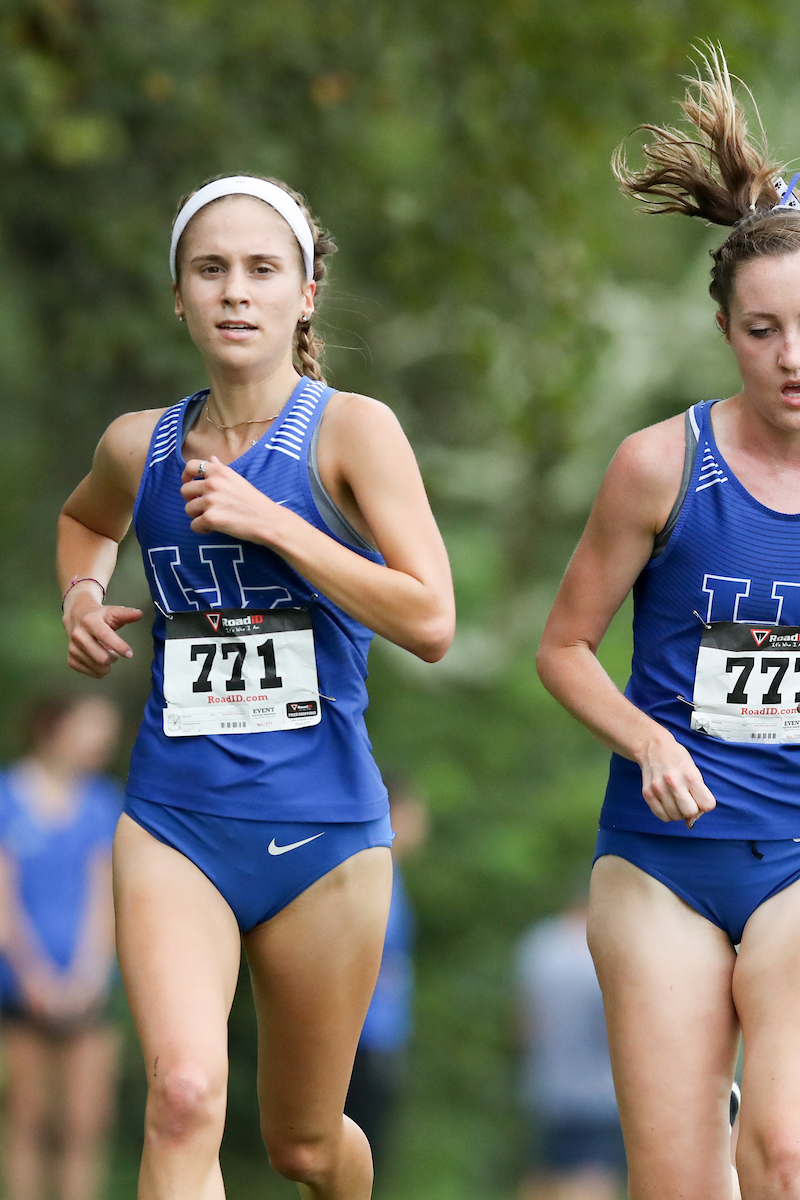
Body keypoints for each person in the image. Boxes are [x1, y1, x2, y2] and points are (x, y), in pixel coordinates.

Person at [536, 48, 800, 1200]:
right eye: (761, 331)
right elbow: (562, 647)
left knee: (782, 1159)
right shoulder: (655, 467)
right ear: (724, 328)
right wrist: (645, 738)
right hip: (659, 866)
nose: (791, 358)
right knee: (676, 1183)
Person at [57, 174, 455, 1198]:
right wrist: (83, 593)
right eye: (212, 270)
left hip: (324, 838)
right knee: (184, 1094)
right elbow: (86, 521)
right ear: (177, 297)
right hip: (174, 824)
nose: (237, 291)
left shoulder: (350, 432)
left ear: (306, 293)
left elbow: (431, 620)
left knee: (306, 1148)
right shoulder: (135, 444)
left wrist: (276, 521)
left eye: (262, 270)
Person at [0, 694, 122, 1200]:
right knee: (24, 1120)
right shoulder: (7, 796)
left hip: (88, 993)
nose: (104, 740)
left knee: (82, 1125)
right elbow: (4, 901)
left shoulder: (102, 803)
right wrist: (33, 977)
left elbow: (104, 897)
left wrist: (89, 975)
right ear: (54, 726)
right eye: (92, 727)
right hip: (18, 992)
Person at [344, 775, 429, 1178]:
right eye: (414, 815)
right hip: (361, 1038)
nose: (421, 826)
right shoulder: (371, 874)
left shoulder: (397, 877)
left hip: (384, 1033)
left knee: (372, 1155)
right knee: (352, 1154)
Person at [516, 887, 625, 1200]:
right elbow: (610, 1025)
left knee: (545, 1171)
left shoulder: (539, 944)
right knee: (594, 1173)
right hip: (598, 1089)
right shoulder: (603, 950)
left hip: (547, 1086)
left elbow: (525, 1022)